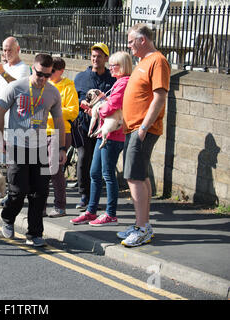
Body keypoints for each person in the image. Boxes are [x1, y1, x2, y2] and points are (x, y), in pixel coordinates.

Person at [0, 53, 66, 247]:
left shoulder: (52, 92)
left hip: (41, 145)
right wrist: (0, 139)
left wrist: (61, 147)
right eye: (40, 74)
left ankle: (34, 233)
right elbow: (0, 113)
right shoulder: (16, 87)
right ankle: (8, 218)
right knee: (18, 191)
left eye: (48, 75)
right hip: (16, 145)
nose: (43, 78)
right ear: (32, 69)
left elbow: (59, 121)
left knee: (40, 192)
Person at [119, 23, 170, 247]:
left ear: (142, 40)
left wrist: (143, 128)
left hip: (142, 128)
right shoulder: (143, 62)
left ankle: (142, 228)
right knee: (141, 176)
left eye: (131, 41)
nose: (129, 46)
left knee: (133, 177)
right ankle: (142, 224)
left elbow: (159, 97)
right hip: (133, 128)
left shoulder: (158, 61)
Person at [70, 51, 131, 226]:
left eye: (114, 65)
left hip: (114, 135)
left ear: (123, 66)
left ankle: (110, 213)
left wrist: (98, 108)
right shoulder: (118, 82)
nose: (110, 67)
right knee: (94, 173)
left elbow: (111, 107)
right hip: (105, 132)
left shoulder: (124, 83)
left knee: (107, 174)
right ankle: (91, 210)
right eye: (110, 64)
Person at [73, 43, 115, 211]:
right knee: (83, 158)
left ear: (106, 58)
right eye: (93, 56)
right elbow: (75, 99)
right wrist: (83, 104)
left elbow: (113, 99)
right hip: (84, 124)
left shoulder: (112, 79)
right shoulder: (81, 77)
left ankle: (95, 197)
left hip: (104, 126)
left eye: (99, 56)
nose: (95, 59)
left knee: (99, 163)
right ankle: (84, 194)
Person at [45, 57, 79, 217]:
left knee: (55, 170)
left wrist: (52, 110)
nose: (50, 73)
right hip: (42, 131)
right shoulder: (44, 83)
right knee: (41, 171)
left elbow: (73, 111)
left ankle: (60, 206)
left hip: (60, 132)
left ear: (61, 71)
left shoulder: (68, 86)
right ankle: (41, 205)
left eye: (53, 71)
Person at [0, 36, 31, 132]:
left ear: (18, 49)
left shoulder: (23, 68)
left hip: (13, 122)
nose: (6, 53)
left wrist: (3, 73)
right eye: (4, 50)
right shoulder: (4, 67)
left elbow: (18, 89)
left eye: (10, 50)